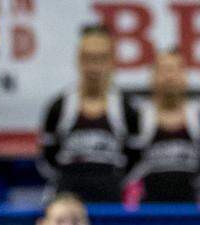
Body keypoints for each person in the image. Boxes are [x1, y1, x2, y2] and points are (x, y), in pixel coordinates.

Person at [40, 25, 139, 203]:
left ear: (112, 61)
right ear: (78, 59)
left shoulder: (127, 110)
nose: (94, 67)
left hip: (112, 207)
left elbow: (136, 161)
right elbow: (47, 162)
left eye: (101, 58)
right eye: (88, 58)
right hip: (68, 208)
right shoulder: (59, 107)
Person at [132, 49, 200, 203]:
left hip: (191, 210)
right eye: (163, 70)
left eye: (175, 70)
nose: (170, 77)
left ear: (185, 76)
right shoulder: (137, 118)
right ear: (152, 77)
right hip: (147, 212)